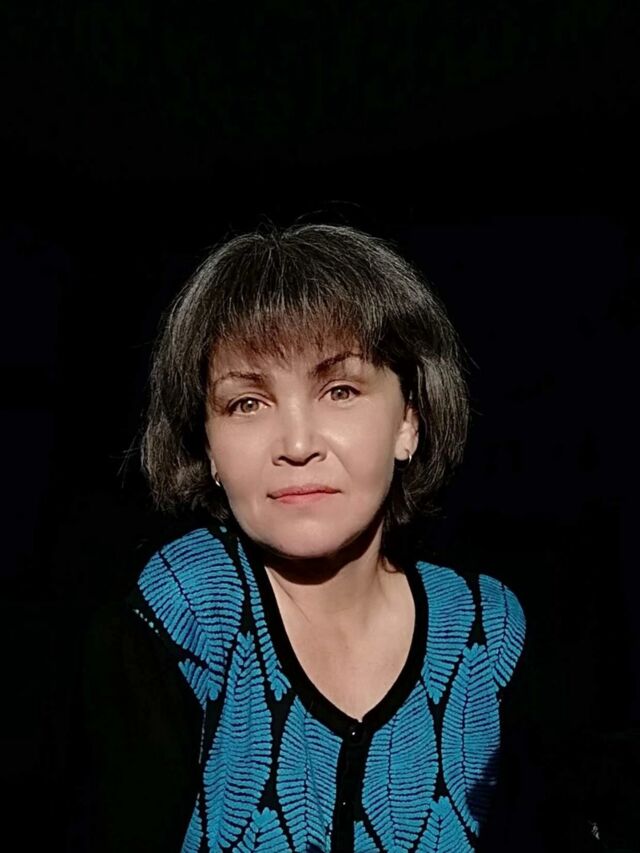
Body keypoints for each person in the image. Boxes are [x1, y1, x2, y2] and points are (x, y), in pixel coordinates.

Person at [80, 223, 552, 852]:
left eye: (340, 390)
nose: (298, 445)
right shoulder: (188, 611)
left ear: (408, 422)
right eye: (247, 403)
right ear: (209, 447)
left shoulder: (485, 630)